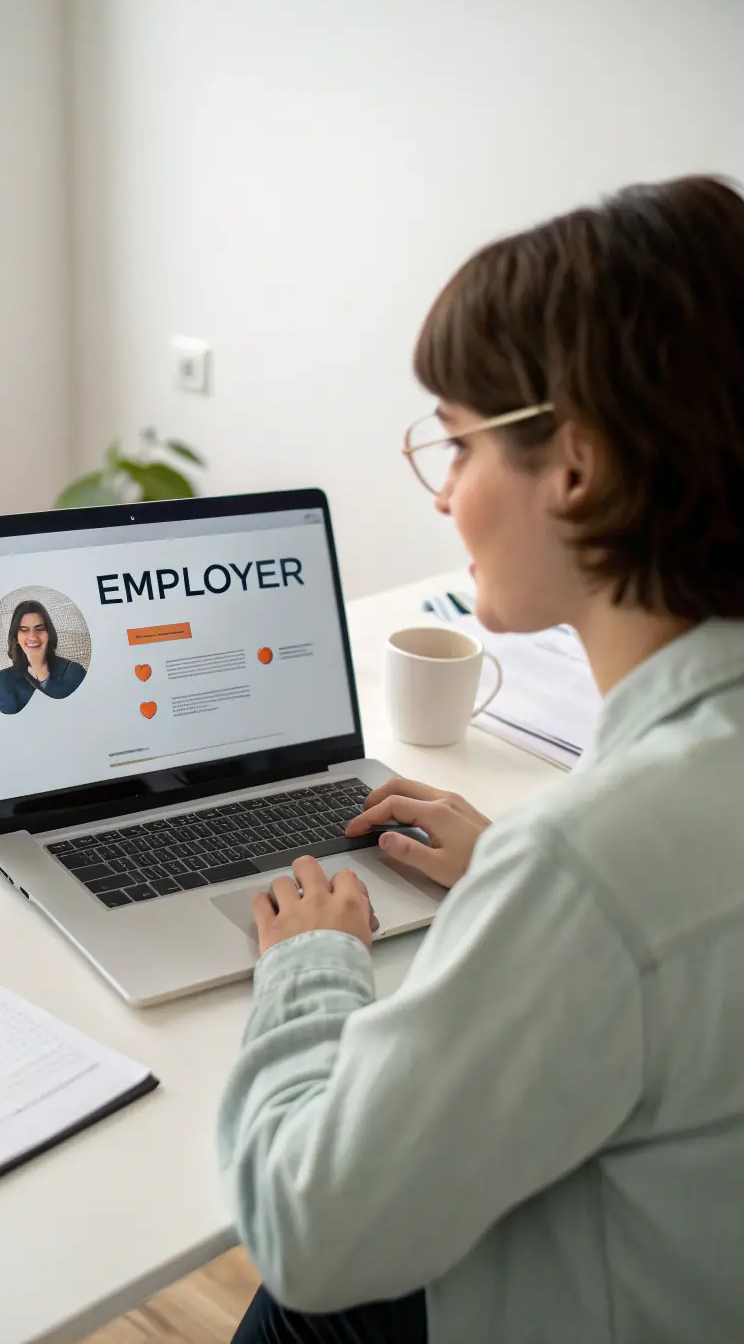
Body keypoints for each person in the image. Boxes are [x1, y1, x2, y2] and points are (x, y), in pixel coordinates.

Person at [219, 175, 744, 1344]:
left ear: (575, 464)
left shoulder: (590, 868)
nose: (447, 494)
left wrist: (310, 967)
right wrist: (519, 866)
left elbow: (304, 1225)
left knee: (299, 1309)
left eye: (457, 444)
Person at [0, 600, 86, 714]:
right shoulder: (2, 680)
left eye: (39, 629)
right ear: (16, 636)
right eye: (24, 630)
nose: (33, 637)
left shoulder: (72, 671)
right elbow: (8, 711)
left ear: (49, 633)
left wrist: (39, 668)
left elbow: (67, 704)